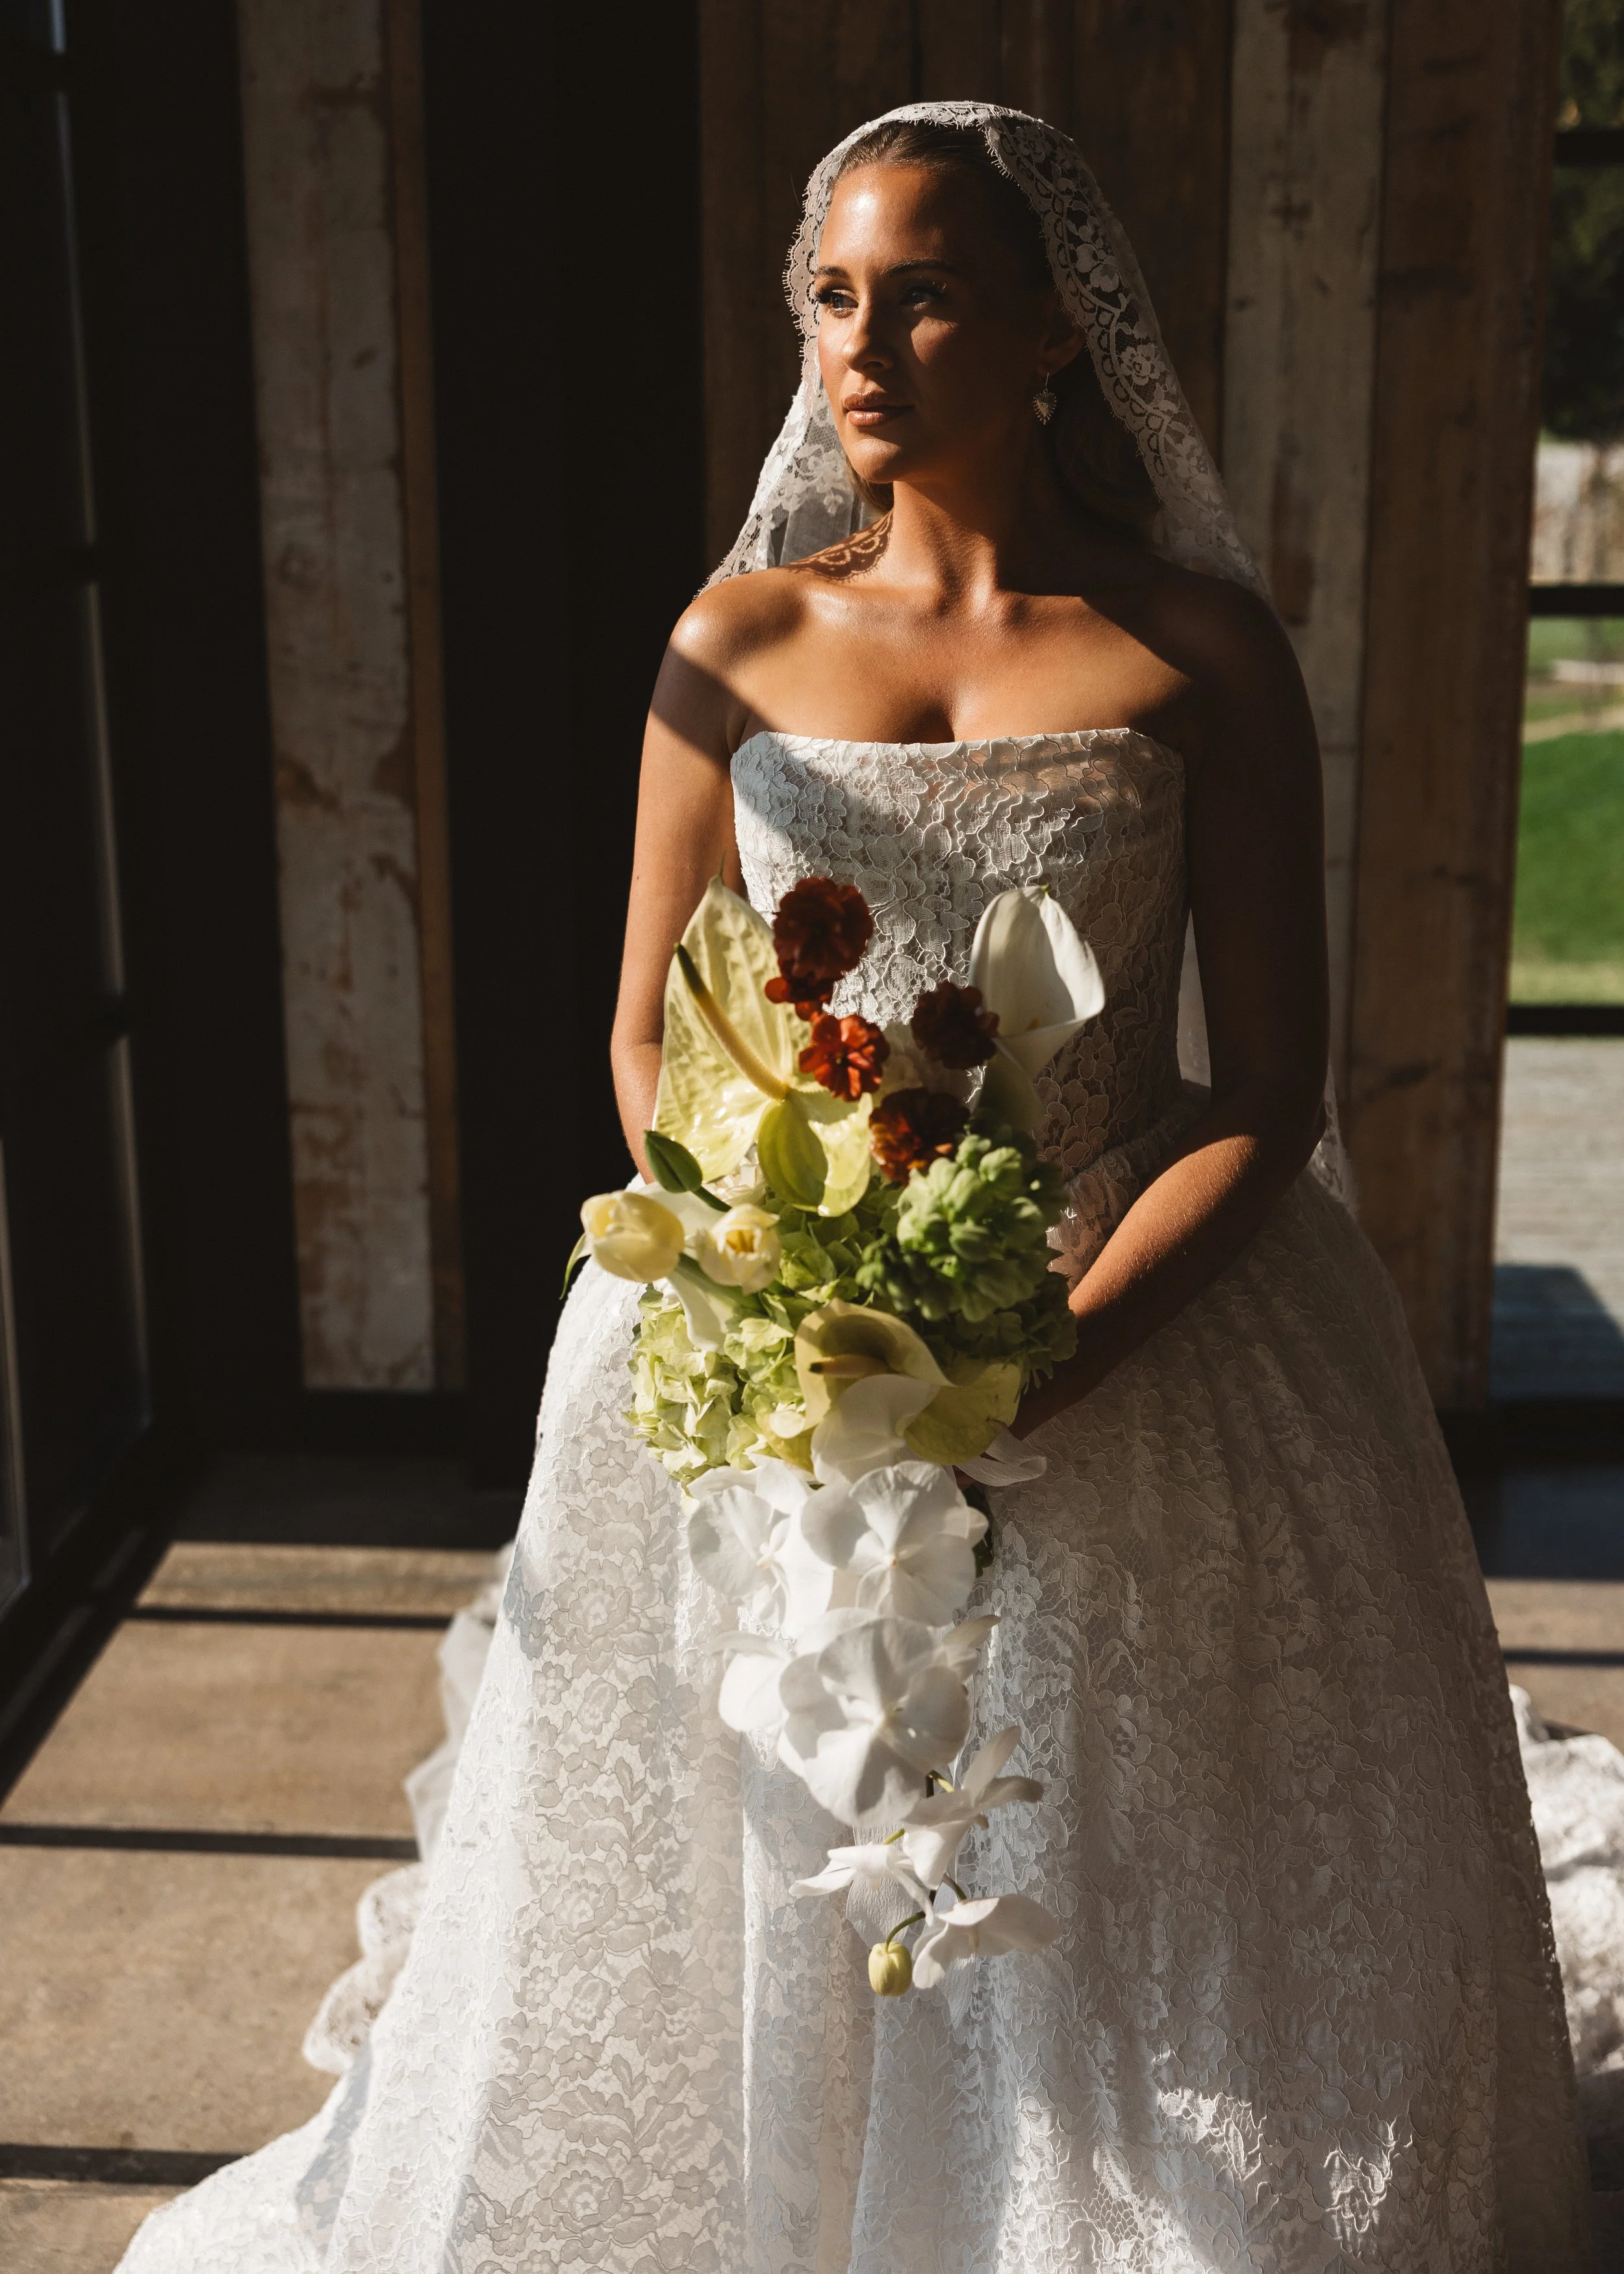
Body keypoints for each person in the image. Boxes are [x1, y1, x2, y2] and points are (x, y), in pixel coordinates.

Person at [120, 101, 1592, 2273]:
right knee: (775, 1815)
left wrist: (1060, 1351)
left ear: (1055, 332)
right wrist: (764, 1284)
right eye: (830, 296)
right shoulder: (733, 641)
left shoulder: (1195, 649)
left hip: (1123, 1320)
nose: (860, 344)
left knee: (1119, 1843)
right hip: (769, 1325)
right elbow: (647, 1033)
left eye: (924, 295)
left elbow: (1267, 1087)